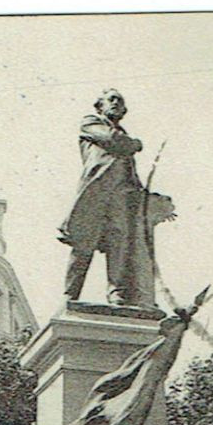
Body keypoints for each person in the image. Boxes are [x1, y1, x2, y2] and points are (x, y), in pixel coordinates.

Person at [59, 89, 174, 307]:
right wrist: (135, 143)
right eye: (110, 99)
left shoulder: (122, 135)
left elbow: (131, 175)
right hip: (97, 193)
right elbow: (113, 140)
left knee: (118, 244)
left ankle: (116, 293)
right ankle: (70, 293)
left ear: (124, 110)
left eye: (119, 101)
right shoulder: (91, 122)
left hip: (121, 197)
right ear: (99, 105)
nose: (115, 103)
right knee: (84, 244)